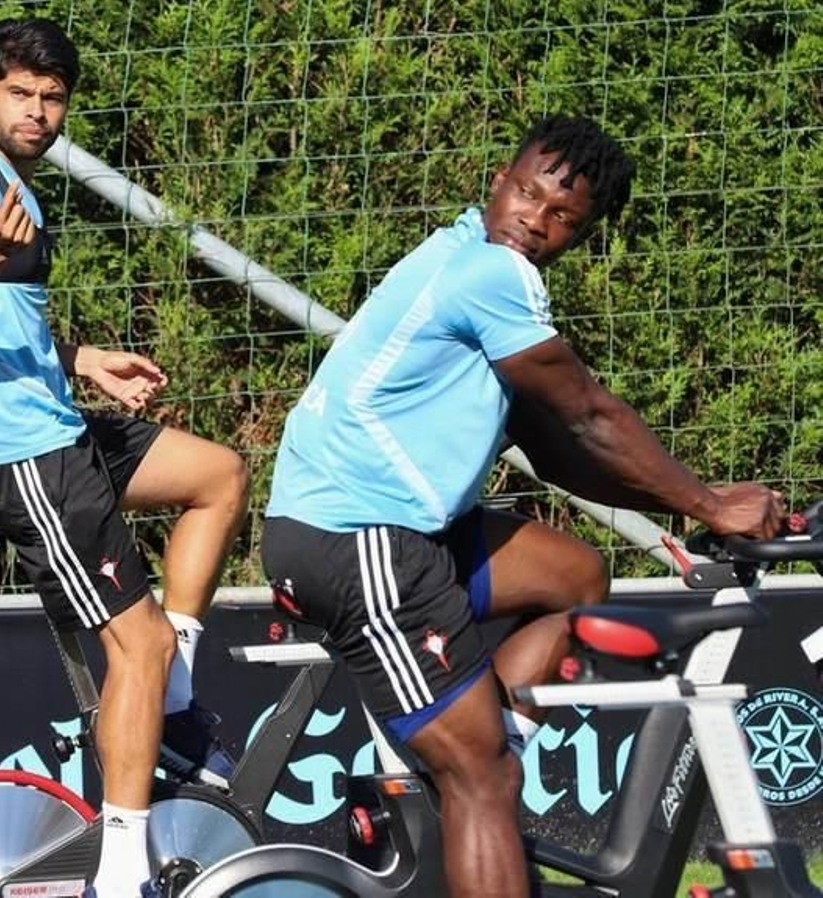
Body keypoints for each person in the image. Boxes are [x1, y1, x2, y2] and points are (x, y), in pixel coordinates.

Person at [259, 115, 785, 898]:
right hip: (355, 539)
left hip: (403, 535)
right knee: (488, 780)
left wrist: (692, 508)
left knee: (573, 576)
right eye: (529, 195)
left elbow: (556, 448)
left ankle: (464, 761)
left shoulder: (474, 269)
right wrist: (712, 506)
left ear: (583, 231)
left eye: (563, 217)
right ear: (497, 182)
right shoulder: (491, 274)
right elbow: (589, 415)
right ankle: (470, 774)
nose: (536, 221)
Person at [0, 18, 249, 898]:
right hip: (16, 454)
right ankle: (126, 875)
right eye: (21, 93)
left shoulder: (18, 183)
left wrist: (84, 360)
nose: (38, 111)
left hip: (55, 423)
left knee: (219, 476)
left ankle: (172, 716)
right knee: (137, 647)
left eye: (53, 98)